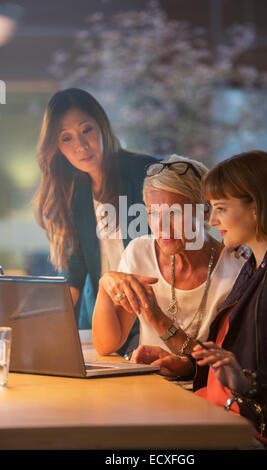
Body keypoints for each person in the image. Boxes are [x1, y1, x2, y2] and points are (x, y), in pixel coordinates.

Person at [147, 150, 267, 450]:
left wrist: (250, 381)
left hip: (259, 431)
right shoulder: (255, 264)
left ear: (256, 206)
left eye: (220, 208)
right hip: (222, 412)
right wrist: (188, 365)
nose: (212, 219)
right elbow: (230, 353)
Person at [33, 87, 159, 355]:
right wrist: (36, 329)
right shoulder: (71, 193)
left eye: (86, 129)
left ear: (102, 126)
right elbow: (73, 278)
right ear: (57, 148)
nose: (80, 145)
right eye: (66, 138)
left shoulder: (148, 173)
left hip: (151, 316)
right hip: (101, 324)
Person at [92, 154, 246, 364]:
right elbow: (106, 345)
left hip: (202, 393)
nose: (162, 226)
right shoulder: (139, 252)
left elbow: (229, 365)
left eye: (175, 212)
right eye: (153, 213)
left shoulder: (236, 269)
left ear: (205, 210)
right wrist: (104, 285)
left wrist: (158, 320)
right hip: (150, 387)